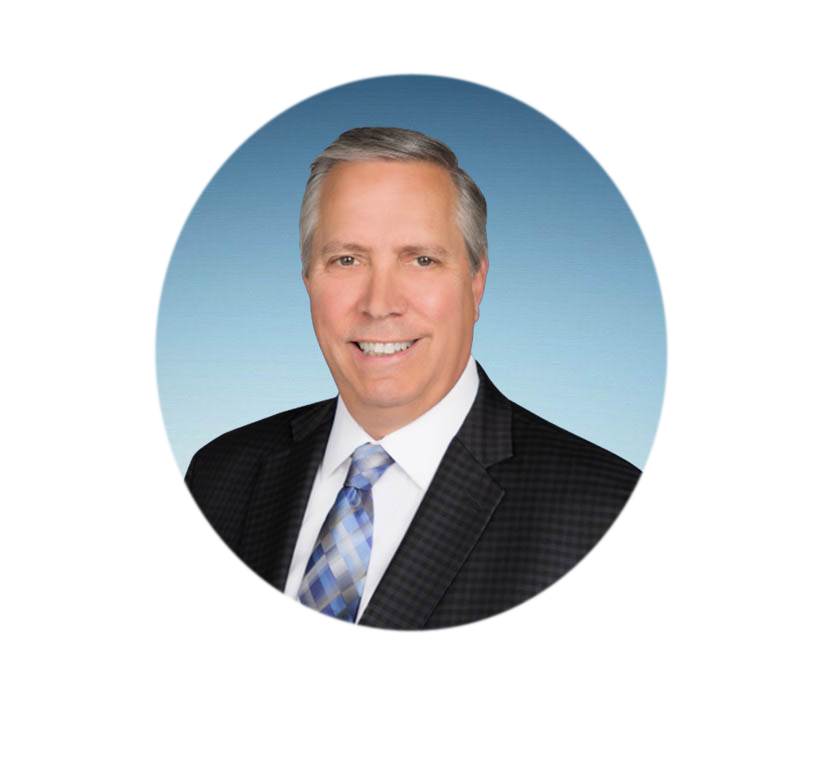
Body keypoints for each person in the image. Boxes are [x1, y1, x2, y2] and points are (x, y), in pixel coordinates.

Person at [184, 127, 643, 633]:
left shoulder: (606, 515)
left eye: (421, 260)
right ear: (308, 281)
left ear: (476, 283)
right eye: (346, 260)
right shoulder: (219, 477)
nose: (380, 304)